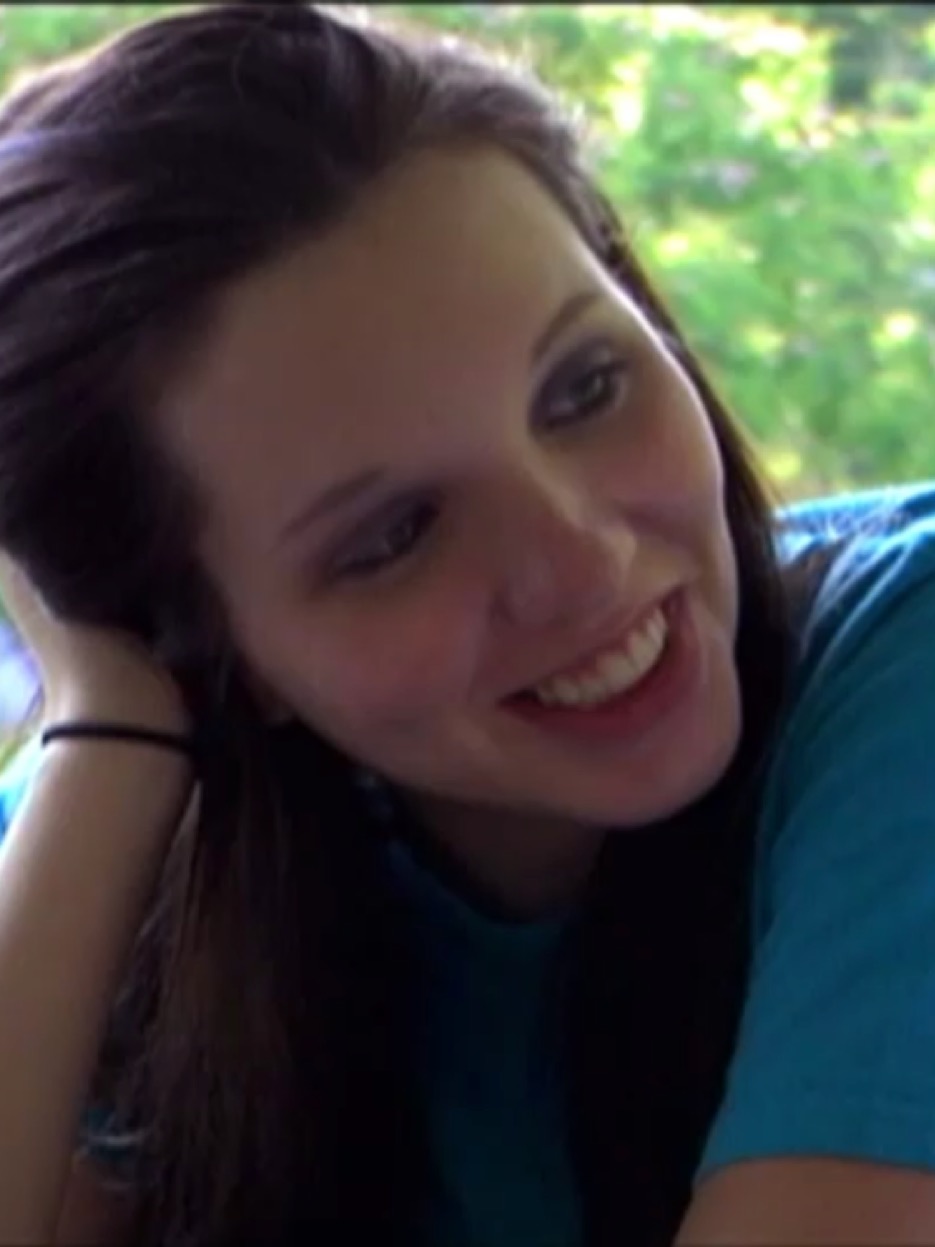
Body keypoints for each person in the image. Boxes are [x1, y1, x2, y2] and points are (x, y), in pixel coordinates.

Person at [0, 5, 934, 1245]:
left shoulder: (904, 662)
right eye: (393, 534)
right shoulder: (122, 846)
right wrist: (111, 735)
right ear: (207, 644)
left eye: (583, 387)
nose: (580, 561)